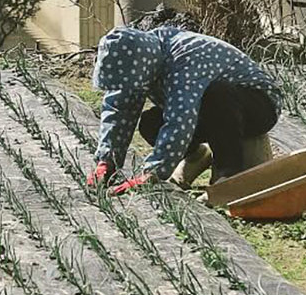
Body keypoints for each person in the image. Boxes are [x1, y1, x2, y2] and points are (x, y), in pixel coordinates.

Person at [86, 24, 281, 195]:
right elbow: (119, 108)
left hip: (259, 104)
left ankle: (227, 174)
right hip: (209, 110)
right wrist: (106, 162)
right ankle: (196, 156)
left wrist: (153, 173)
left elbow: (180, 120)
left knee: (216, 94)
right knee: (150, 122)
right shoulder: (141, 57)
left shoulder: (185, 58)